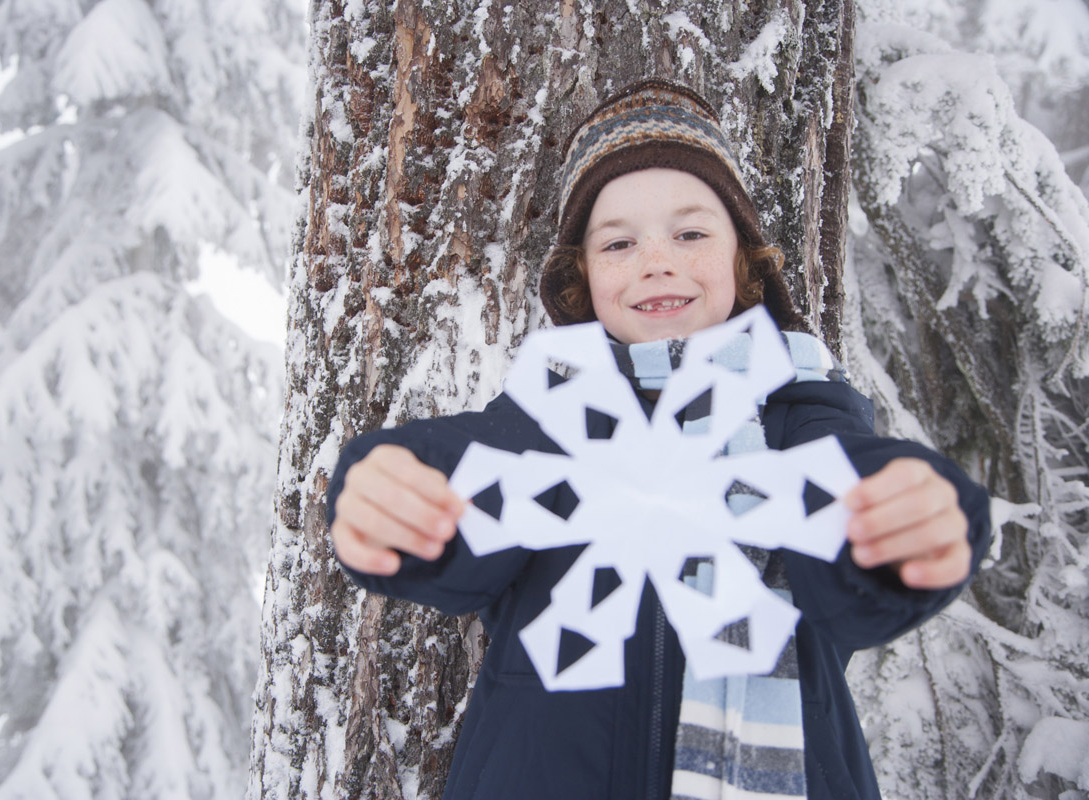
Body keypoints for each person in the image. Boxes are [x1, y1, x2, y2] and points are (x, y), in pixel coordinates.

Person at [327, 80, 991, 800]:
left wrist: (906, 519)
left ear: (744, 260)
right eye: (619, 242)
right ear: (582, 277)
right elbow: (471, 472)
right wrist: (394, 486)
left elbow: (843, 490)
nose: (656, 261)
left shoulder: (795, 412)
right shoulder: (555, 415)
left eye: (691, 233)